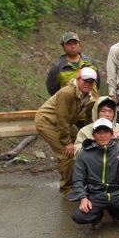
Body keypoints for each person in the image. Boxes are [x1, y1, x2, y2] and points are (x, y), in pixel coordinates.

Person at [35, 67, 99, 198]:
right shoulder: (67, 93)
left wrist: (92, 134)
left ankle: (83, 179)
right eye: (85, 80)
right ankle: (67, 188)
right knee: (66, 154)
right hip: (47, 121)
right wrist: (67, 142)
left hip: (66, 123)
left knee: (84, 144)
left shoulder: (91, 96)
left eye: (91, 81)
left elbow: (89, 117)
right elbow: (61, 118)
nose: (88, 84)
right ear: (78, 79)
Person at [71, 118, 119, 229]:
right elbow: (78, 179)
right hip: (96, 195)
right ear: (93, 135)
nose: (102, 135)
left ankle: (117, 213)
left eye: (106, 132)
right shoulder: (84, 154)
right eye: (99, 132)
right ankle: (97, 216)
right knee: (78, 217)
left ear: (111, 134)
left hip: (117, 193)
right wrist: (83, 198)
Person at [46, 31, 100, 96]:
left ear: (79, 45)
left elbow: (97, 83)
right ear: (63, 47)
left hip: (91, 103)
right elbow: (52, 90)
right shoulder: (58, 68)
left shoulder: (90, 63)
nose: (73, 46)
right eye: (69, 44)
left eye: (75, 43)